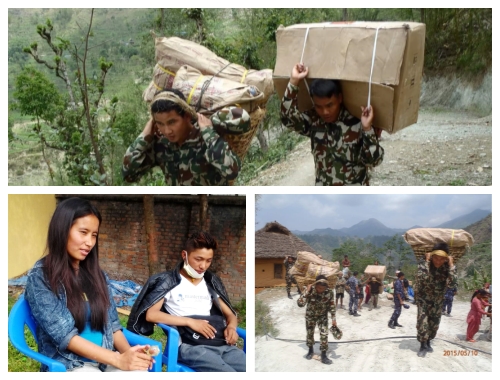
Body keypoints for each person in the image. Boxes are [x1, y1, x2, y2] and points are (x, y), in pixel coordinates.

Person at [24, 197, 154, 372]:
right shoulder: (41, 277)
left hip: (104, 361)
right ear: (62, 230)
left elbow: (113, 326)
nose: (90, 242)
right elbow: (66, 337)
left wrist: (129, 355)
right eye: (83, 232)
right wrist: (118, 359)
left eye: (94, 235)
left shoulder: (98, 275)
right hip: (70, 364)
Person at [127, 231, 245, 372]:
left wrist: (231, 327)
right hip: (191, 347)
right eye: (198, 259)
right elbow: (151, 315)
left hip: (222, 345)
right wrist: (190, 322)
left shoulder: (210, 282)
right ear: (185, 255)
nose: (203, 266)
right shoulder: (169, 282)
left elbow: (231, 314)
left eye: (208, 260)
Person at [280, 63, 384, 186]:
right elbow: (287, 119)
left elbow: (374, 161)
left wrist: (367, 129)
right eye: (319, 106)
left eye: (330, 105)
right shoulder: (314, 120)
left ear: (340, 98)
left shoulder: (357, 122)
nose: (325, 112)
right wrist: (294, 81)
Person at [122, 89, 250, 186]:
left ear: (187, 116)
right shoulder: (161, 145)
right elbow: (128, 175)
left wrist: (209, 134)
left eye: (172, 122)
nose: (167, 131)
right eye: (160, 124)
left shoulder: (206, 137)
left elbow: (232, 171)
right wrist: (145, 136)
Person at [415, 242, 457, 357]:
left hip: (438, 301)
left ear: (445, 259)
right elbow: (422, 278)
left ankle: (428, 341)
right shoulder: (424, 263)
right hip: (424, 299)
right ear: (432, 256)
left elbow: (452, 284)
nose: (438, 261)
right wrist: (427, 262)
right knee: (422, 322)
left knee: (434, 324)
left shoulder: (448, 267)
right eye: (436, 258)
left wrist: (452, 265)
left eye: (441, 259)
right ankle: (423, 345)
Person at [297, 275, 336, 365]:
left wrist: (334, 318)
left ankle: (323, 355)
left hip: (322, 317)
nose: (320, 290)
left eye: (323, 288)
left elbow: (332, 306)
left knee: (324, 334)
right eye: (318, 288)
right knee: (310, 333)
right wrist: (306, 291)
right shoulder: (310, 290)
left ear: (326, 287)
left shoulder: (329, 292)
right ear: (315, 285)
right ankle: (310, 351)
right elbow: (300, 304)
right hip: (310, 316)